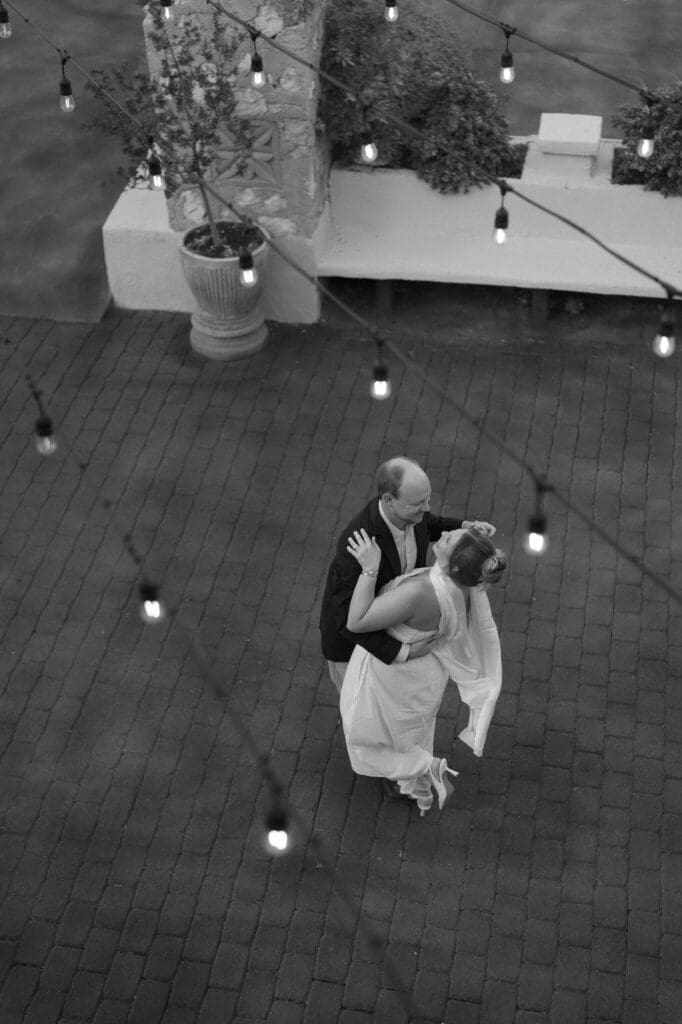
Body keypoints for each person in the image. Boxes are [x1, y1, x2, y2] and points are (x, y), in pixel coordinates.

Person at [340, 524, 506, 815]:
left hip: (392, 678)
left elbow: (357, 622)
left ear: (454, 563)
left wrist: (369, 569)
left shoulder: (420, 593)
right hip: (426, 675)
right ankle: (412, 780)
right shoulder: (466, 583)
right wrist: (469, 536)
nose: (444, 534)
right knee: (405, 735)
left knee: (364, 737)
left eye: (449, 539)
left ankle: (427, 768)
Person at [319, 457, 467, 693]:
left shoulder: (413, 514)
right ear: (389, 500)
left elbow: (430, 522)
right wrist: (403, 652)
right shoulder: (357, 544)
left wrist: (463, 526)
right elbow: (343, 617)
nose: (427, 508)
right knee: (361, 715)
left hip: (389, 627)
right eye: (419, 503)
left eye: (427, 499)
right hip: (354, 650)